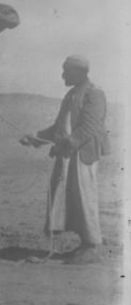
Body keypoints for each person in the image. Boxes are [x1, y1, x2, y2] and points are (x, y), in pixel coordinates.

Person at [20, 55, 110, 264]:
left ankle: (93, 247)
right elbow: (59, 127)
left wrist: (64, 145)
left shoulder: (94, 93)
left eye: (66, 71)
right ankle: (84, 245)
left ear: (78, 71)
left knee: (85, 197)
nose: (63, 75)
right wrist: (36, 138)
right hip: (69, 155)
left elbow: (88, 128)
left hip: (84, 155)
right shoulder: (71, 94)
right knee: (72, 198)